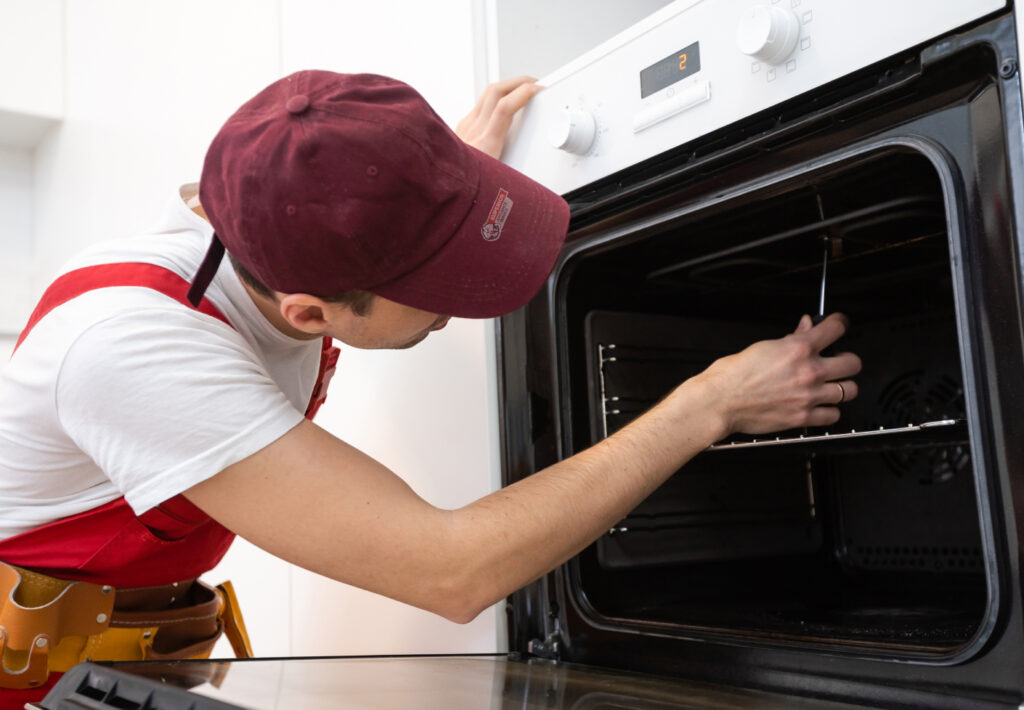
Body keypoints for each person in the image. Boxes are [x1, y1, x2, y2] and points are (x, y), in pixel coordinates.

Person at [0, 70, 861, 698]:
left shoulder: (264, 215)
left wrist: (430, 189)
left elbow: (342, 193)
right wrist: (708, 403)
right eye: (440, 293)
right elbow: (451, 572)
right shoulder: (133, 351)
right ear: (310, 315)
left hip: (146, 644)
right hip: (32, 673)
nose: (463, 306)